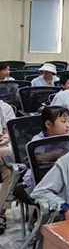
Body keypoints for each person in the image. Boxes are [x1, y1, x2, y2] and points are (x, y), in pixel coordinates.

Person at [24, 106, 69, 189]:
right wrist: (57, 153)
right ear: (48, 124)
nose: (68, 125)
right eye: (63, 122)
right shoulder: (37, 141)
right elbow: (37, 158)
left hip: (65, 178)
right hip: (41, 181)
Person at [0, 98, 16, 234]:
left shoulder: (4, 108)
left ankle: (0, 212)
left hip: (2, 148)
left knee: (11, 172)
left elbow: (9, 131)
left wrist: (5, 138)